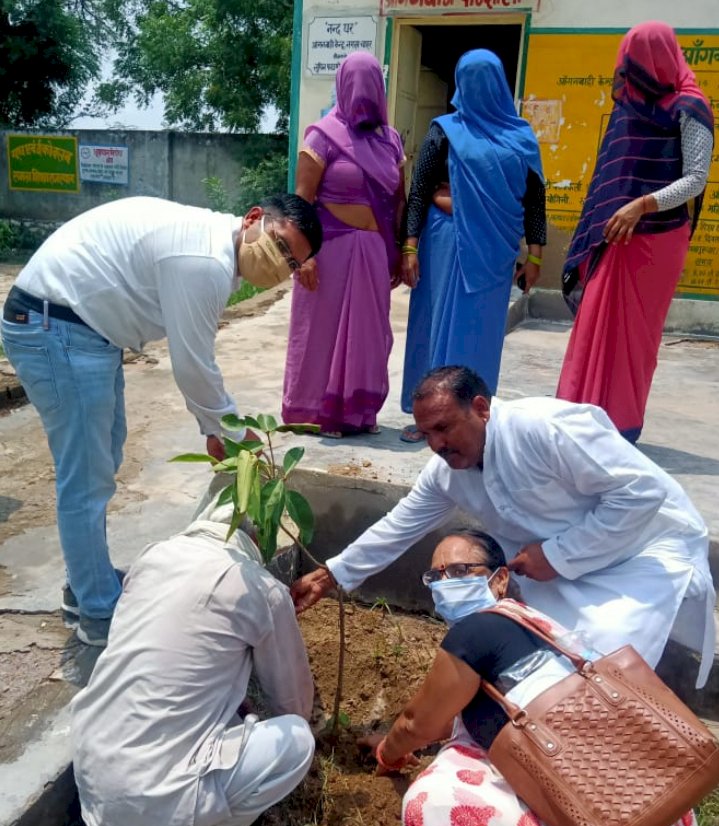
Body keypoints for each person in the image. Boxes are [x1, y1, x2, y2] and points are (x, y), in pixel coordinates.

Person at [360, 529, 715, 826]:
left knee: (430, 805)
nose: (445, 581)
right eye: (436, 574)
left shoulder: (476, 632)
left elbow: (414, 724)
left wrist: (388, 753)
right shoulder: (539, 633)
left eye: (461, 570)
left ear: (500, 579)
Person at [1, 193, 322, 647]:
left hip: (84, 329)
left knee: (104, 455)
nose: (281, 263)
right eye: (280, 244)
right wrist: (228, 431)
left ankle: (85, 582)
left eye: (292, 262)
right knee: (86, 478)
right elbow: (192, 365)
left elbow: (194, 362)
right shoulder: (204, 260)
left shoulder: (218, 253)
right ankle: (96, 612)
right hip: (55, 325)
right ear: (253, 219)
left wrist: (216, 427)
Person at [292, 365, 715, 690]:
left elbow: (641, 492)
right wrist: (332, 574)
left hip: (640, 550)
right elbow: (400, 525)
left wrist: (558, 555)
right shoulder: (446, 471)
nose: (436, 445)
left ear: (480, 408)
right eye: (425, 435)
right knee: (529, 651)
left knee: (603, 654)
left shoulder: (542, 429)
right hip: (552, 560)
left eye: (443, 428)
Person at [71, 504, 315, 826]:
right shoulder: (258, 586)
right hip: (154, 798)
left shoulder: (153, 557)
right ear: (252, 540)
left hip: (92, 773)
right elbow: (294, 706)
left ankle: (160, 822)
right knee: (297, 741)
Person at [557, 22, 714, 445]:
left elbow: (696, 179)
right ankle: (579, 417)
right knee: (595, 325)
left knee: (634, 339)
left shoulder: (691, 106)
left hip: (656, 238)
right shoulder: (629, 105)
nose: (628, 70)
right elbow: (610, 173)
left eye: (635, 61)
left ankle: (620, 428)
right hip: (615, 235)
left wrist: (642, 205)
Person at [399, 50, 546, 444]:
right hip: (449, 247)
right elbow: (420, 191)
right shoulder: (444, 131)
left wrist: (535, 254)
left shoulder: (521, 137)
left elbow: (534, 198)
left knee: (476, 333)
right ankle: (430, 416)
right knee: (438, 329)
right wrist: (409, 247)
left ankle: (473, 414)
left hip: (489, 249)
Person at [282, 51, 406, 437]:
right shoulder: (322, 135)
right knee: (322, 333)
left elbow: (398, 199)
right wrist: (305, 256)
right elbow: (302, 199)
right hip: (329, 250)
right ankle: (316, 413)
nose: (363, 93)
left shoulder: (391, 141)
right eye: (356, 84)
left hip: (373, 253)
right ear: (342, 86)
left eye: (371, 84)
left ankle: (359, 412)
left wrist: (401, 251)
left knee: (369, 335)